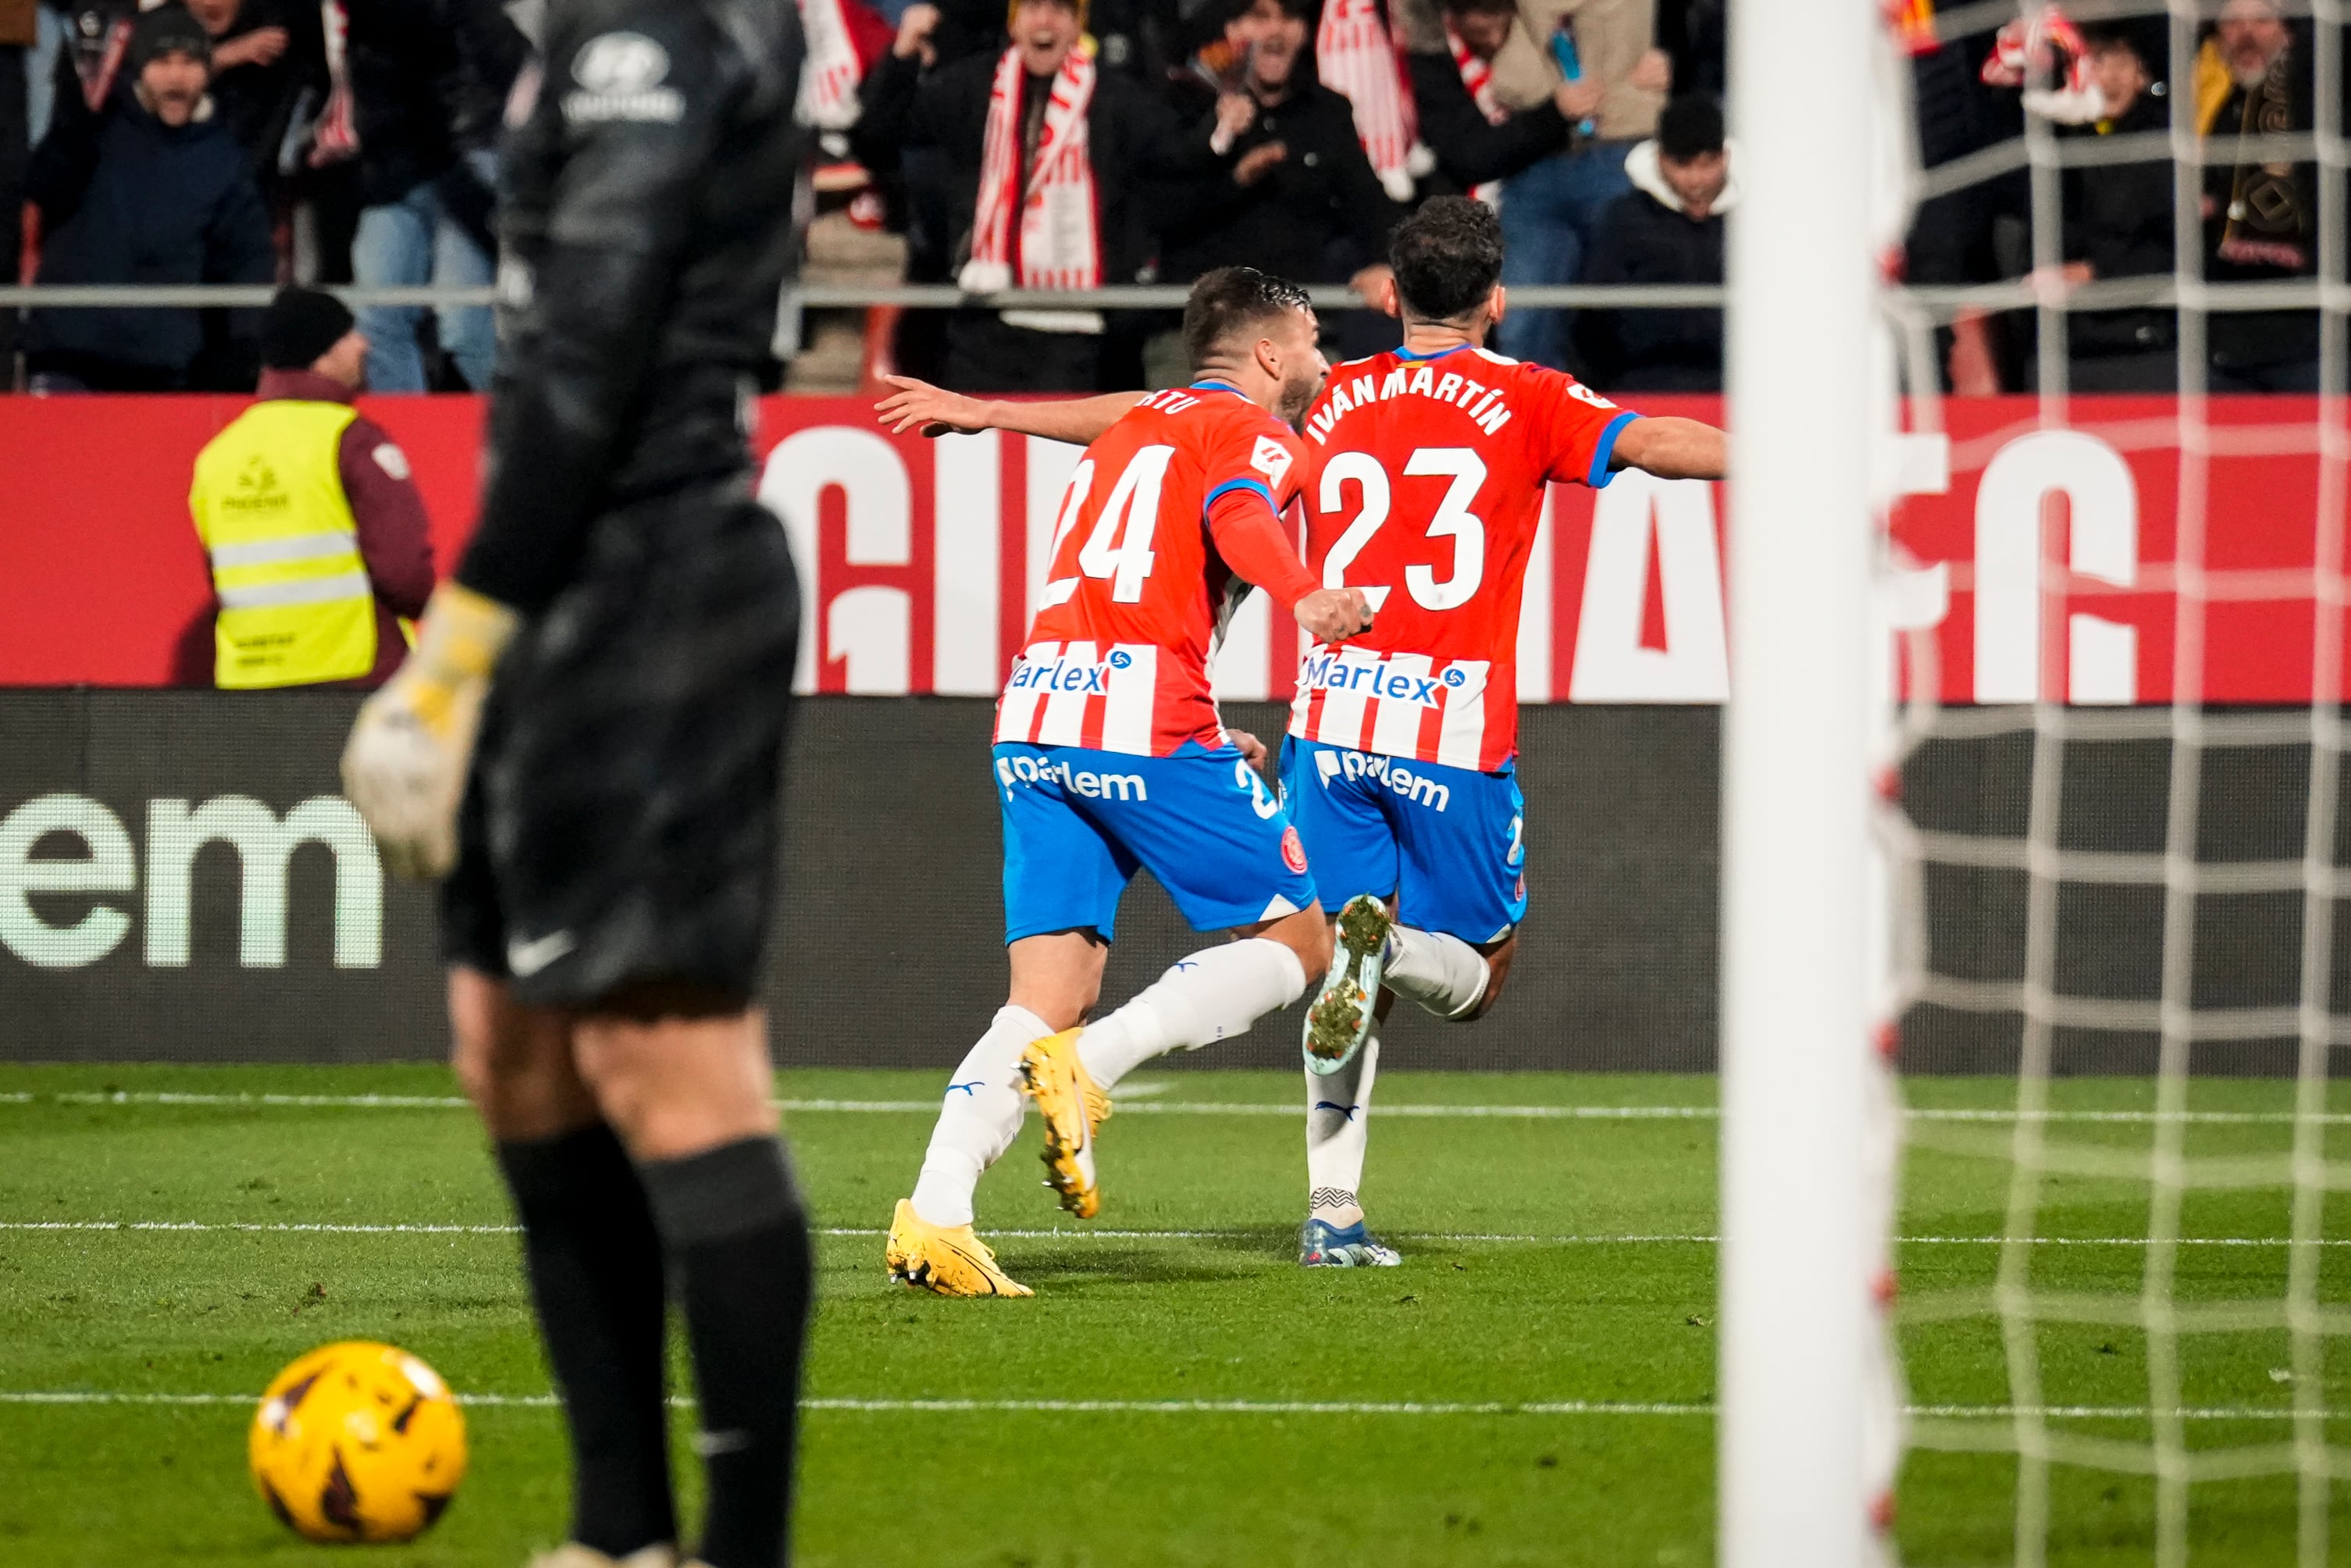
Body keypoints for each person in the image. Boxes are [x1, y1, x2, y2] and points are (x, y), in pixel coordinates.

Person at [875, 196, 1726, 1268]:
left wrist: (995, 412)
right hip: (1438, 719)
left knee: (1175, 972)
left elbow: (1155, 412)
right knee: (1440, 964)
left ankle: (976, 1210)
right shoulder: (1526, 396)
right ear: (1497, 299)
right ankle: (1141, 1048)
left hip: (1292, 717)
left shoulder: (1327, 401)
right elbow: (1648, 441)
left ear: (1386, 293)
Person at [337, 2, 812, 1566]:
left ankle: (737, 1546)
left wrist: (455, 647)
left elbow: (601, 330)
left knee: (672, 1066)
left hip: (654, 577)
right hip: (561, 574)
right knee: (512, 1050)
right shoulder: (582, 34)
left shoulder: (656, 35)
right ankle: (621, 1533)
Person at [879, 266, 1376, 1296]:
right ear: (1271, 355)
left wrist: (988, 414)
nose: (1324, 360)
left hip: (1038, 712)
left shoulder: (1142, 425)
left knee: (1045, 990)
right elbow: (1242, 513)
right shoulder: (1252, 434)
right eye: (1315, 339)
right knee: (1304, 941)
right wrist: (1304, 592)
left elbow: (1128, 425)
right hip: (1139, 713)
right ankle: (1091, 1068)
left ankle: (934, 1213)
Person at [852, 0, 1220, 392]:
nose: (1044, 22)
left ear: (1078, 25)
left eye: (1059, 10)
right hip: (980, 325)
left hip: (1079, 332)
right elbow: (877, 137)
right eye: (1031, 8)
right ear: (1013, 23)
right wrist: (902, 57)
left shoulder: (1116, 97)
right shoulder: (972, 87)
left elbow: (1181, 157)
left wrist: (1224, 128)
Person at [20, 2, 273, 391]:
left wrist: (246, 345)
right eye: (162, 61)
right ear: (139, 67)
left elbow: (248, 259)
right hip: (68, 357)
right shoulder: (97, 129)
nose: (176, 77)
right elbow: (41, 187)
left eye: (190, 62)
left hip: (160, 368)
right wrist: (74, 126)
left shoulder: (224, 159)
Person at [189, 287, 433, 690]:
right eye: (348, 334)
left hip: (251, 680)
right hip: (352, 672)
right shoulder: (351, 440)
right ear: (321, 354)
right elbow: (405, 572)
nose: (363, 343)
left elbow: (223, 577)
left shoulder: (218, 455)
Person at [1152, 0, 1401, 364]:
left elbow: (1372, 206)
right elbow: (1159, 210)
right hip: (1203, 342)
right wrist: (1233, 178)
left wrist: (1384, 261)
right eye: (1260, 17)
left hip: (1298, 341)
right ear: (1232, 29)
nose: (1276, 30)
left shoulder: (1326, 111)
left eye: (1289, 17)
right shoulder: (1186, 104)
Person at [2194, 0, 2322, 391]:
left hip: (2307, 330)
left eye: (2262, 20)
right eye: (2233, 22)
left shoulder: (2317, 99)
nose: (2247, 32)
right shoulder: (2210, 106)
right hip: (2223, 329)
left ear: (2289, 32)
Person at [1574, 91, 1729, 391]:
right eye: (1684, 165)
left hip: (1740, 388)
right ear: (1660, 160)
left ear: (1726, 157)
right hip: (1642, 386)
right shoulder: (1623, 219)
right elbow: (1593, 319)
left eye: (1708, 163)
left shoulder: (1759, 222)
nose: (1697, 179)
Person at [1405, 0, 1578, 203]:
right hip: (1492, 188)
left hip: (1564, 158)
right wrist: (1554, 113)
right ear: (1454, 17)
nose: (1495, 41)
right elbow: (1471, 155)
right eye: (1480, 32)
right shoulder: (1431, 60)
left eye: (1502, 26)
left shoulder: (1535, 26)